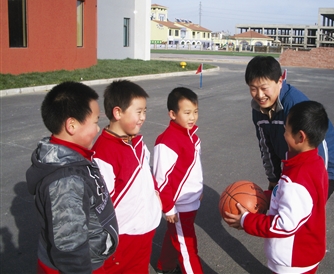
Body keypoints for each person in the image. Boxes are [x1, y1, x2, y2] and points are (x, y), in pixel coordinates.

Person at [225, 100, 330, 274]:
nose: (283, 134)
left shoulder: (296, 178)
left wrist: (246, 220)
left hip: (293, 260)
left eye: (286, 130)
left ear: (300, 137)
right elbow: (295, 201)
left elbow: (285, 224)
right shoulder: (315, 163)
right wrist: (263, 197)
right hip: (306, 251)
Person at [25, 81, 119, 274]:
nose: (98, 128)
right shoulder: (66, 180)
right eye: (95, 122)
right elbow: (70, 247)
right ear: (72, 125)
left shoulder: (75, 156)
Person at [245, 56, 334, 198]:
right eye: (253, 89)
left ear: (280, 81)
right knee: (281, 209)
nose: (260, 95)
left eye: (264, 88)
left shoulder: (296, 106)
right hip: (293, 168)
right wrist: (273, 179)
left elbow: (318, 150)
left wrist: (314, 186)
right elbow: (266, 147)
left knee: (301, 213)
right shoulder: (258, 110)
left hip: (324, 169)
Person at [92, 80, 162, 274]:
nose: (143, 118)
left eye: (145, 112)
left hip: (146, 229)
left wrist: (156, 195)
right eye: (138, 112)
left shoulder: (137, 141)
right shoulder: (104, 154)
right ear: (117, 113)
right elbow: (100, 204)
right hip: (123, 235)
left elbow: (145, 173)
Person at [153, 87, 204, 274]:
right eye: (187, 113)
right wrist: (168, 207)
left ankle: (164, 266)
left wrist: (199, 189)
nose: (192, 117)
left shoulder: (193, 137)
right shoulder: (166, 142)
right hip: (179, 205)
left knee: (174, 236)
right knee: (188, 248)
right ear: (173, 114)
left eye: (195, 112)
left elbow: (194, 169)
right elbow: (161, 179)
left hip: (191, 201)